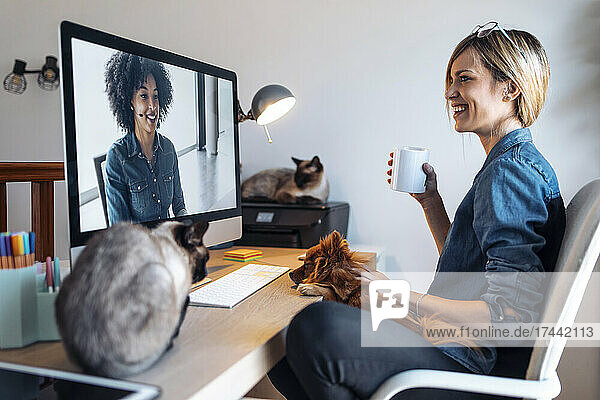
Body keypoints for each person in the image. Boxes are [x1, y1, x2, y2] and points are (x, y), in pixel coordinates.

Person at [268, 22, 566, 400]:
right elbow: (472, 272)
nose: (450, 92)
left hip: (476, 365)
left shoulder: (510, 171)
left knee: (316, 326)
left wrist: (395, 295)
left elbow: (508, 315)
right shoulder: (508, 164)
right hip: (466, 350)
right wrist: (431, 202)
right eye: (451, 80)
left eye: (464, 79)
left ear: (509, 88)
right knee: (280, 347)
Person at [104, 52, 186, 225]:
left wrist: (190, 232)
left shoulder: (168, 149)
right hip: (139, 249)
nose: (152, 106)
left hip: (168, 244)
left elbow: (179, 206)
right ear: (129, 101)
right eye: (143, 96)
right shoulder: (117, 157)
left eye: (155, 96)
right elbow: (121, 232)